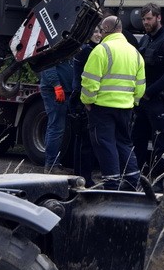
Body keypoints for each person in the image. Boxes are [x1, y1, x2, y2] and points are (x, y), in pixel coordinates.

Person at [80, 15, 145, 190]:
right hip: (125, 107)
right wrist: (133, 102)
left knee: (105, 144)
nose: (99, 33)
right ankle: (133, 180)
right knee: (124, 143)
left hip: (102, 108)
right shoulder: (135, 53)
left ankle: (112, 182)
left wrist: (87, 101)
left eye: (101, 30)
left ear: (107, 30)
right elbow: (140, 85)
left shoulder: (101, 50)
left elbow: (89, 81)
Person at [133, 3, 164, 186]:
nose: (146, 22)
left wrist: (147, 93)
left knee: (161, 145)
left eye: (149, 19)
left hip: (159, 100)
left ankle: (162, 183)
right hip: (144, 101)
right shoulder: (145, 40)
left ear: (158, 18)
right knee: (137, 140)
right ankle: (133, 180)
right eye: (143, 19)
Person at [62, 24, 102, 185]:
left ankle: (80, 174)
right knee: (85, 141)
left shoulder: (84, 49)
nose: (98, 35)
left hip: (77, 96)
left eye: (100, 32)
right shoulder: (88, 51)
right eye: (95, 32)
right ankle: (85, 176)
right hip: (81, 99)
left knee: (81, 139)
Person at [37, 59, 74, 170]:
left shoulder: (68, 45)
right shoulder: (54, 44)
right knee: (56, 127)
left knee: (57, 127)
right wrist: (56, 85)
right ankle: (51, 165)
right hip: (54, 90)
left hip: (64, 90)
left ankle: (53, 163)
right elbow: (47, 64)